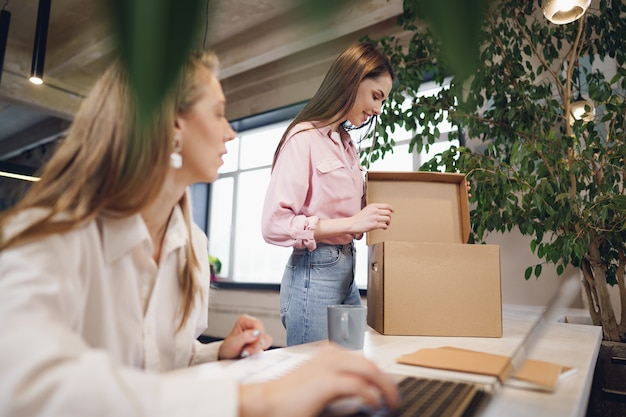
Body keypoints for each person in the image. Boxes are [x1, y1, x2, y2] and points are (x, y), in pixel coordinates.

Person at [0, 50, 398, 417]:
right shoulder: (49, 237)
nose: (231, 133)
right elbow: (19, 383)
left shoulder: (191, 244)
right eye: (219, 113)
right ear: (173, 124)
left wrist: (214, 354)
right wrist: (254, 399)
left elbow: (159, 360)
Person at [261, 42, 395, 346]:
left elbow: (361, 212)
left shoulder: (348, 147)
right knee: (314, 378)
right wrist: (350, 225)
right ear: (352, 79)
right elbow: (274, 224)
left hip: (347, 268)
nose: (378, 109)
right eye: (376, 96)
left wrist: (436, 200)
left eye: (382, 101)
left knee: (345, 372)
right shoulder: (303, 139)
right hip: (314, 271)